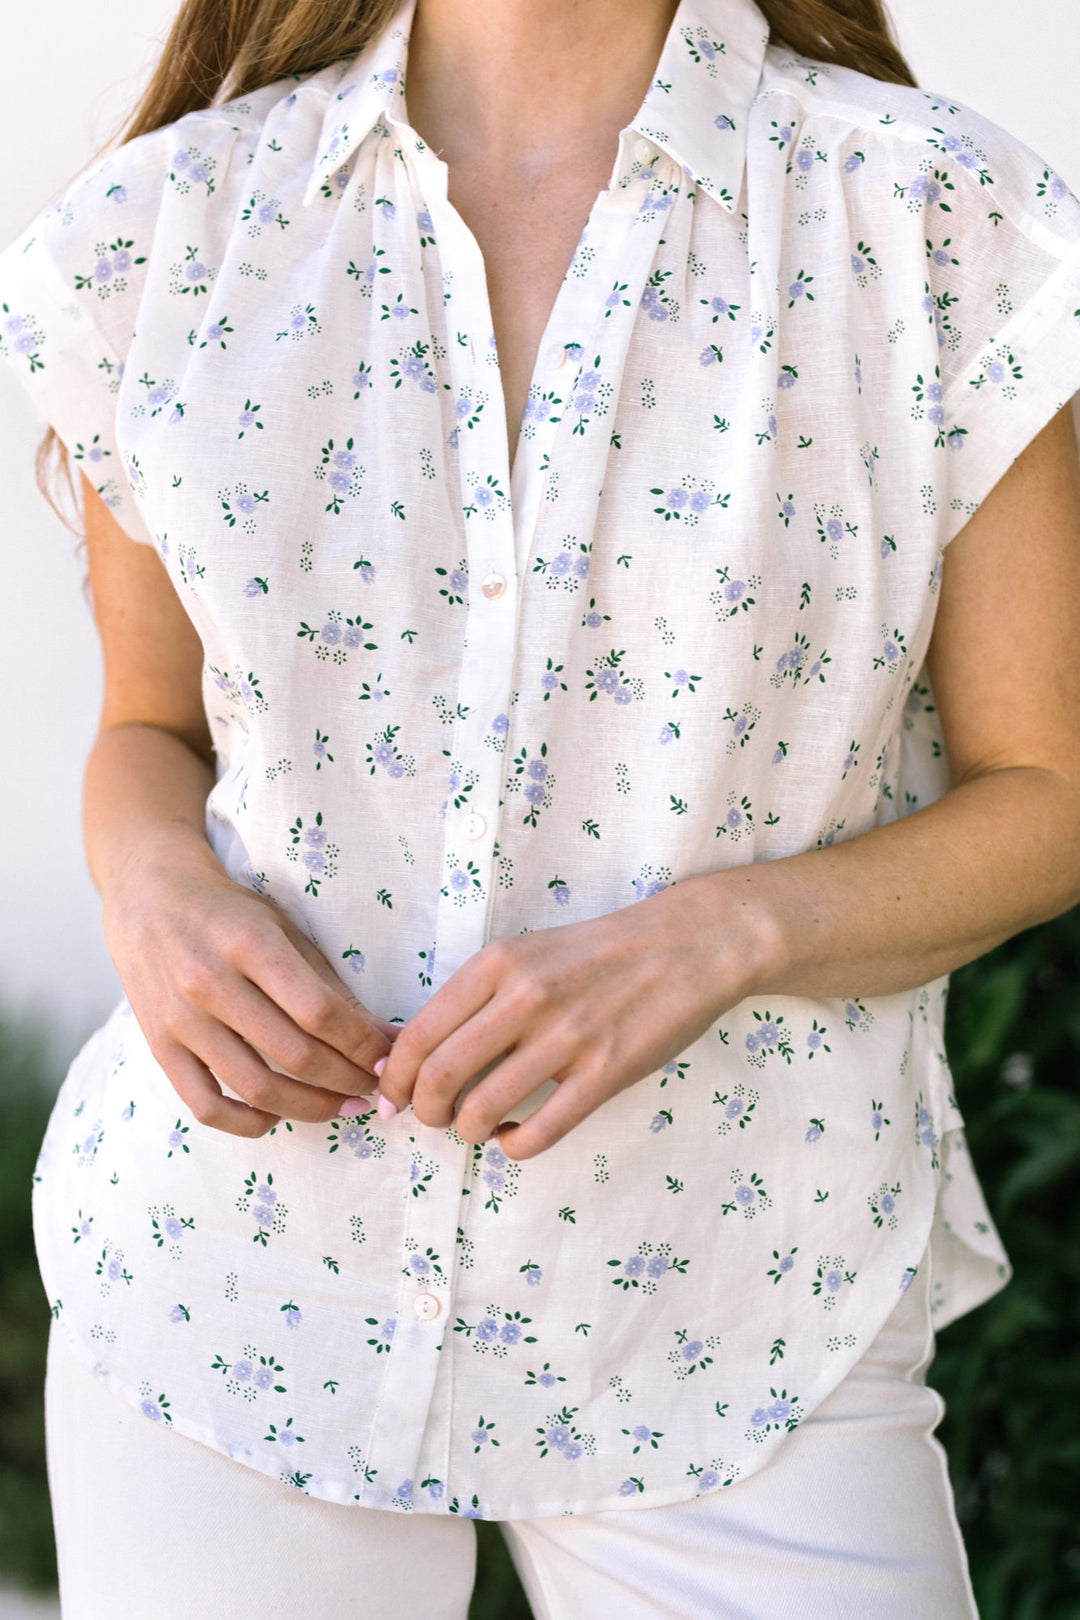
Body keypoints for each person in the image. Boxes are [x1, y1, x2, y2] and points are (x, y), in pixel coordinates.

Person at [3, 0, 1080, 1614]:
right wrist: (157, 896)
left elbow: (1050, 791)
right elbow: (148, 732)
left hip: (742, 1305)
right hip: (231, 1295)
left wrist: (723, 935)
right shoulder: (165, 230)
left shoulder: (937, 219)